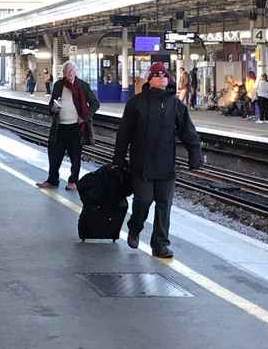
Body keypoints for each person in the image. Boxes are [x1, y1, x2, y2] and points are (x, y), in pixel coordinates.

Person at [113, 62, 203, 258]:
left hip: (166, 164)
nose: (162, 77)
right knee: (143, 201)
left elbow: (188, 131)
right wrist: (119, 158)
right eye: (157, 74)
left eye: (164, 75)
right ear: (150, 79)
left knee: (164, 205)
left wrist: (195, 155)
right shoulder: (136, 103)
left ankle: (160, 244)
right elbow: (124, 133)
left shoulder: (175, 105)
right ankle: (135, 227)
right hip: (141, 164)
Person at [35, 61, 99, 192]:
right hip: (59, 126)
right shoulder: (58, 85)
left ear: (75, 71)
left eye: (72, 70)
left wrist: (84, 117)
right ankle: (52, 180)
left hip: (75, 127)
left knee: (75, 156)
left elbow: (95, 103)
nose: (69, 72)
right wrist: (52, 109)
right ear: (63, 72)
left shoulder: (83, 86)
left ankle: (73, 181)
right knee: (54, 154)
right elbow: (51, 103)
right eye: (67, 70)